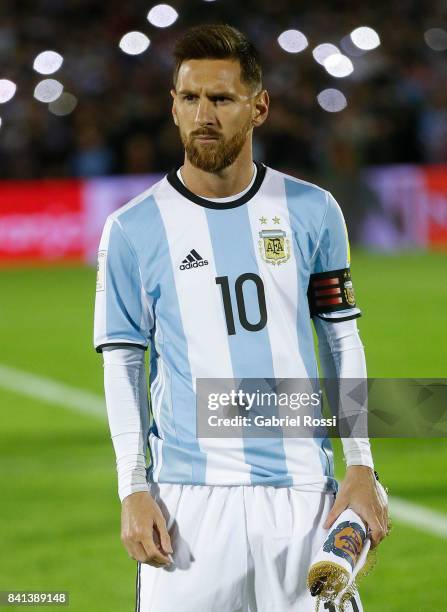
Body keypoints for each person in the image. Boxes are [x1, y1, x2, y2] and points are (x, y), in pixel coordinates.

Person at [93, 23, 389, 612]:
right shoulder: (132, 228)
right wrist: (133, 487)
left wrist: (361, 464)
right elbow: (125, 364)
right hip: (188, 509)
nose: (205, 113)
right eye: (190, 98)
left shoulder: (312, 210)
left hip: (303, 497)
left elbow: (341, 341)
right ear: (172, 107)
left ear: (259, 107)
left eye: (222, 99)